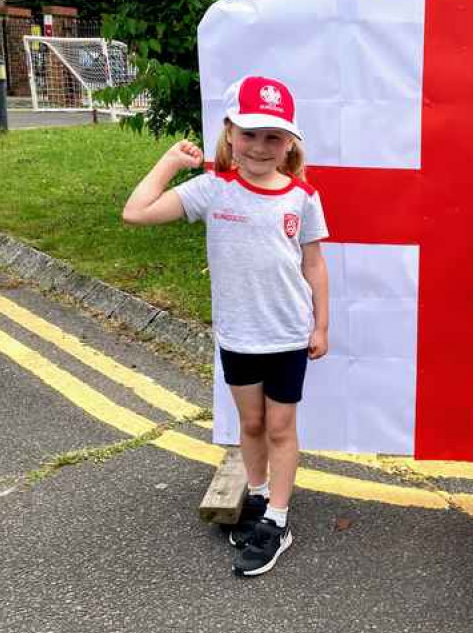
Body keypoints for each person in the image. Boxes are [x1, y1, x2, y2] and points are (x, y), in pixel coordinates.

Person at [122, 75, 329, 576]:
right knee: (251, 424)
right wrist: (171, 162)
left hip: (286, 336)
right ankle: (258, 498)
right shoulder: (213, 189)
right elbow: (136, 212)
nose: (260, 146)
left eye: (273, 137)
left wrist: (321, 325)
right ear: (230, 133)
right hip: (238, 336)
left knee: (281, 427)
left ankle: (277, 521)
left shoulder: (302, 197)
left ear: (289, 144)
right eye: (250, 133)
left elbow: (314, 264)